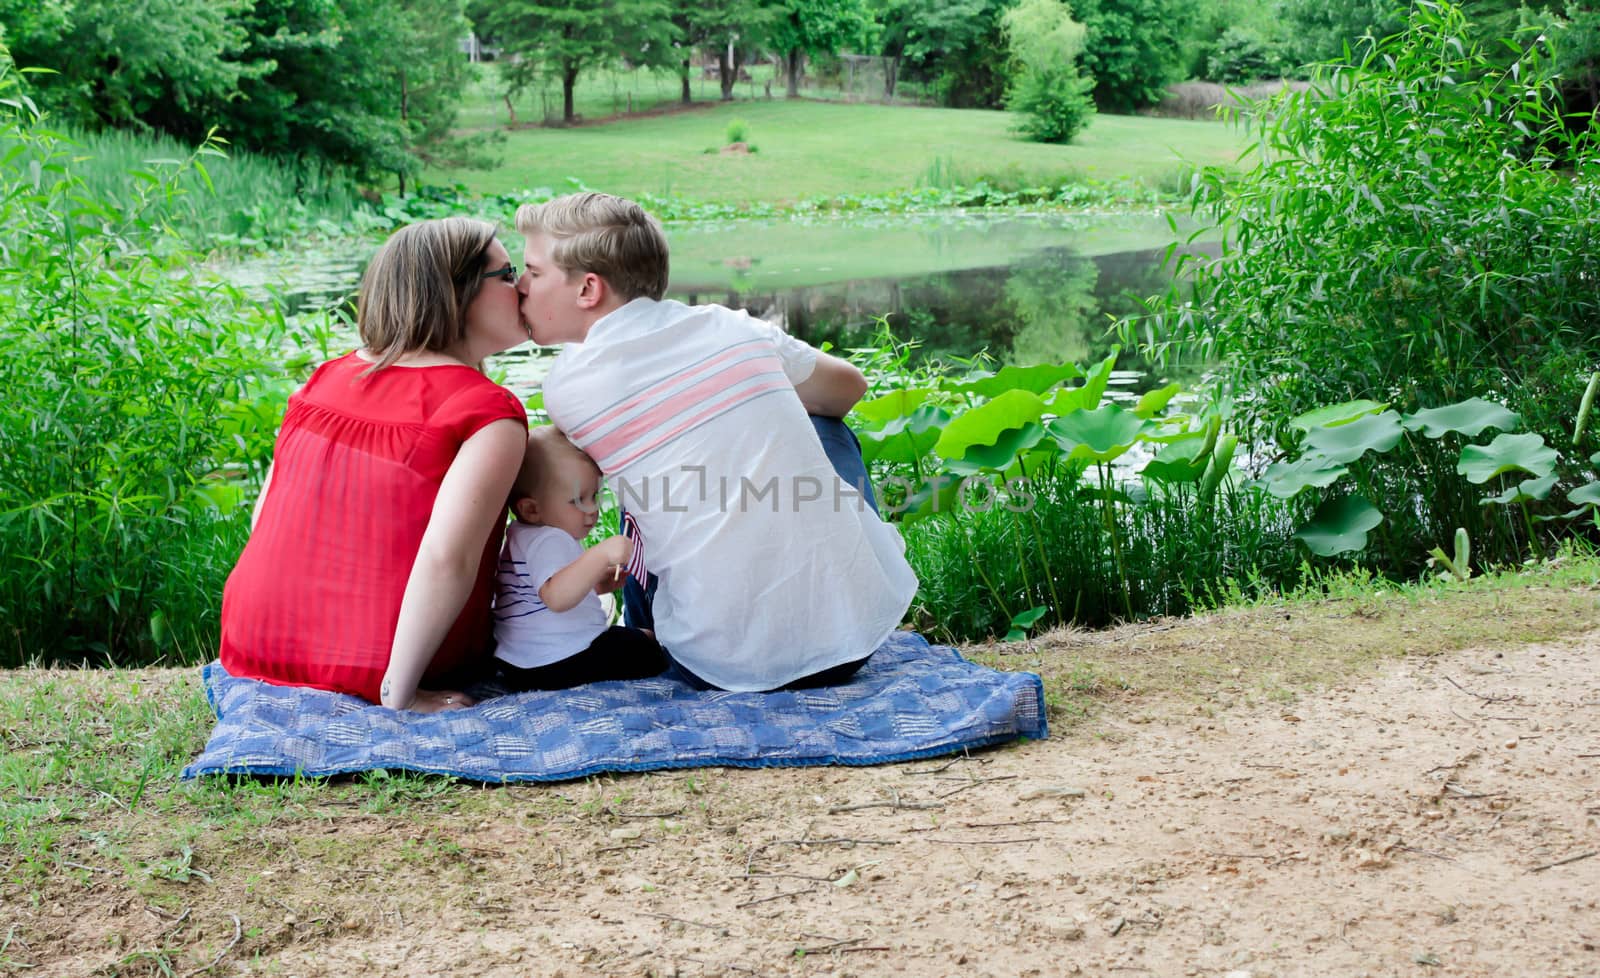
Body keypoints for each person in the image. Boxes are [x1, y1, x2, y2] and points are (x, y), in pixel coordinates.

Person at [514, 191, 919, 693]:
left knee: (639, 487)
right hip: (852, 645)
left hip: (718, 663)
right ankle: (837, 591)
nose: (519, 286)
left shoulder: (566, 389)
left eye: (532, 271)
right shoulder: (729, 325)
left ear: (588, 289)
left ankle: (645, 627)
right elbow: (849, 388)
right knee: (826, 428)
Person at [219, 217, 531, 712]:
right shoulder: (488, 411)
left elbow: (265, 519)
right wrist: (401, 696)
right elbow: (447, 559)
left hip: (250, 640)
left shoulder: (324, 377)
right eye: (509, 274)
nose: (525, 287)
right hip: (382, 662)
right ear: (456, 292)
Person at [486, 426, 666, 690]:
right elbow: (556, 597)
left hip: (520, 663)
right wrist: (602, 553)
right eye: (577, 500)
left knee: (637, 639)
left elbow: (546, 591)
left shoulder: (521, 535)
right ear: (531, 509)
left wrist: (596, 584)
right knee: (651, 644)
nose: (592, 510)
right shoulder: (549, 539)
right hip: (563, 658)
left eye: (593, 496)